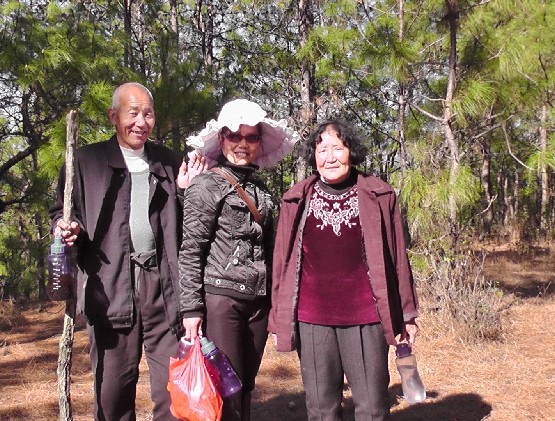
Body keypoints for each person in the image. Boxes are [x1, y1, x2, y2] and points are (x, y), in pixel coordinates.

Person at [49, 82, 206, 421]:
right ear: (113, 116)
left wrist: (185, 192)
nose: (141, 122)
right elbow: (62, 212)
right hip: (110, 287)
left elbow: (188, 224)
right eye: (132, 113)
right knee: (113, 394)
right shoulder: (86, 162)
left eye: (148, 114)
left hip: (164, 289)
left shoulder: (168, 162)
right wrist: (67, 227)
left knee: (174, 393)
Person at [268, 119, 420, 421]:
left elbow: (397, 260)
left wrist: (407, 314)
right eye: (322, 150)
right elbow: (281, 263)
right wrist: (278, 320)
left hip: (366, 318)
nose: (330, 157)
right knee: (321, 409)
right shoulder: (295, 199)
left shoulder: (380, 195)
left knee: (373, 407)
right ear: (313, 156)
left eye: (338, 148)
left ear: (351, 151)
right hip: (312, 319)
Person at [178, 99, 298, 421]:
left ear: (259, 142)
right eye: (234, 135)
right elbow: (190, 251)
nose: (242, 144)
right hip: (222, 301)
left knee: (244, 388)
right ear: (221, 139)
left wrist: (275, 304)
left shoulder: (262, 191)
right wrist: (191, 310)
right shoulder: (206, 186)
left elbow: (271, 253)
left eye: (251, 137)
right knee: (224, 393)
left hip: (257, 304)